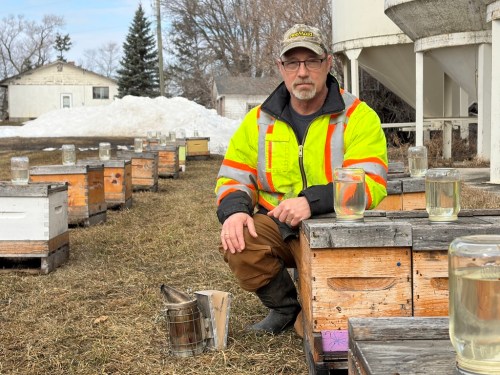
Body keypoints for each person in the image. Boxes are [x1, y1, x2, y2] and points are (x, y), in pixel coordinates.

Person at [214, 24, 388, 334]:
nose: (302, 71)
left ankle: (310, 314)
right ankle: (284, 308)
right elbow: (234, 176)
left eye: (312, 61)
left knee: (319, 327)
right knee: (239, 239)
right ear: (281, 67)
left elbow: (370, 182)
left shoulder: (358, 116)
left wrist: (312, 202)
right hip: (277, 227)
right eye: (292, 62)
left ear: (328, 63)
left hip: (340, 228)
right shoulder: (258, 120)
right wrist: (236, 210)